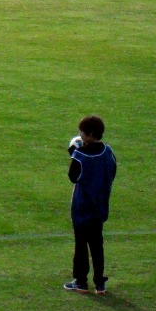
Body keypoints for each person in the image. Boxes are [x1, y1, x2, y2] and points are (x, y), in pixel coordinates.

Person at [64, 115, 117, 295]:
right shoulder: (108, 151)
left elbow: (73, 177)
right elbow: (112, 172)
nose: (80, 134)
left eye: (82, 132)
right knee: (97, 244)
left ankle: (81, 281)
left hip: (82, 207)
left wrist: (74, 152)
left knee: (81, 245)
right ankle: (100, 283)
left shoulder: (80, 155)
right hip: (100, 206)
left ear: (90, 134)